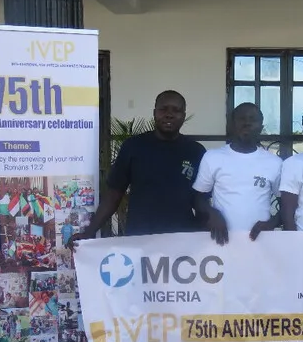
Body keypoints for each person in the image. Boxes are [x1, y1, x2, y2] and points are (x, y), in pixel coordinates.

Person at [68, 90, 206, 248]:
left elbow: (200, 200)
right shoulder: (133, 146)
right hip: (140, 239)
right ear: (154, 113)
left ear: (184, 115)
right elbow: (114, 195)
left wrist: (208, 231)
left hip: (183, 239)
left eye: (176, 110)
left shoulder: (196, 151)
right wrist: (90, 231)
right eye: (163, 109)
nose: (169, 114)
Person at [194, 103, 282, 245]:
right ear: (231, 125)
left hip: (261, 242)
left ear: (261, 126)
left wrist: (271, 223)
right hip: (221, 241)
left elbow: (284, 203)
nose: (247, 123)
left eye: (252, 119)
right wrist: (212, 213)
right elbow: (198, 198)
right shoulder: (212, 157)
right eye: (241, 119)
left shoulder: (274, 163)